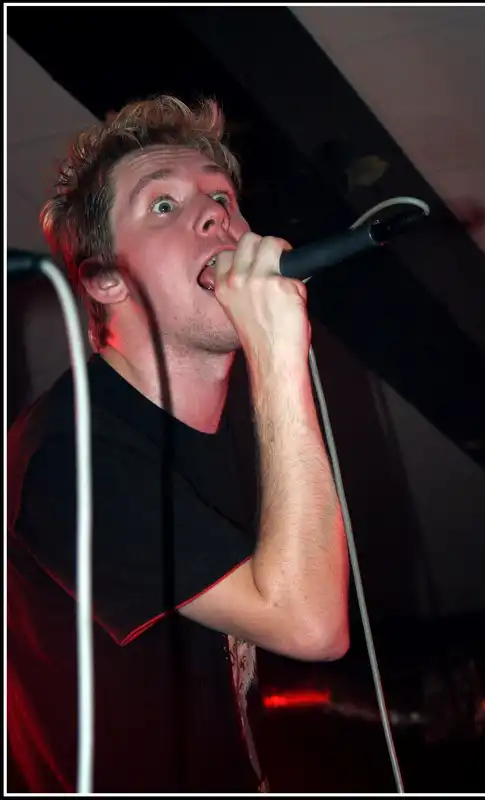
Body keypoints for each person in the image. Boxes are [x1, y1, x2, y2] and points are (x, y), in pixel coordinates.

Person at [7, 94, 350, 793]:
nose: (215, 216)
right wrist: (279, 357)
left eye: (221, 197)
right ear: (106, 278)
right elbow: (311, 627)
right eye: (162, 205)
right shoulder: (68, 457)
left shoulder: (231, 433)